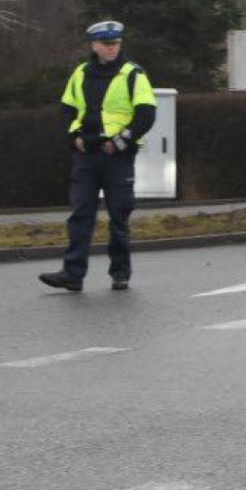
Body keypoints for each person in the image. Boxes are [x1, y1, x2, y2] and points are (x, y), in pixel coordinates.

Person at [38, 20, 157, 292]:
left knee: (119, 215)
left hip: (117, 156)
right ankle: (72, 274)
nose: (111, 49)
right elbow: (67, 109)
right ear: (94, 45)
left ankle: (120, 272)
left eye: (115, 44)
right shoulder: (81, 73)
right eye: (106, 44)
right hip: (87, 155)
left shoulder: (133, 74)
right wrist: (74, 136)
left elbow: (146, 114)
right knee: (80, 214)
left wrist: (121, 141)